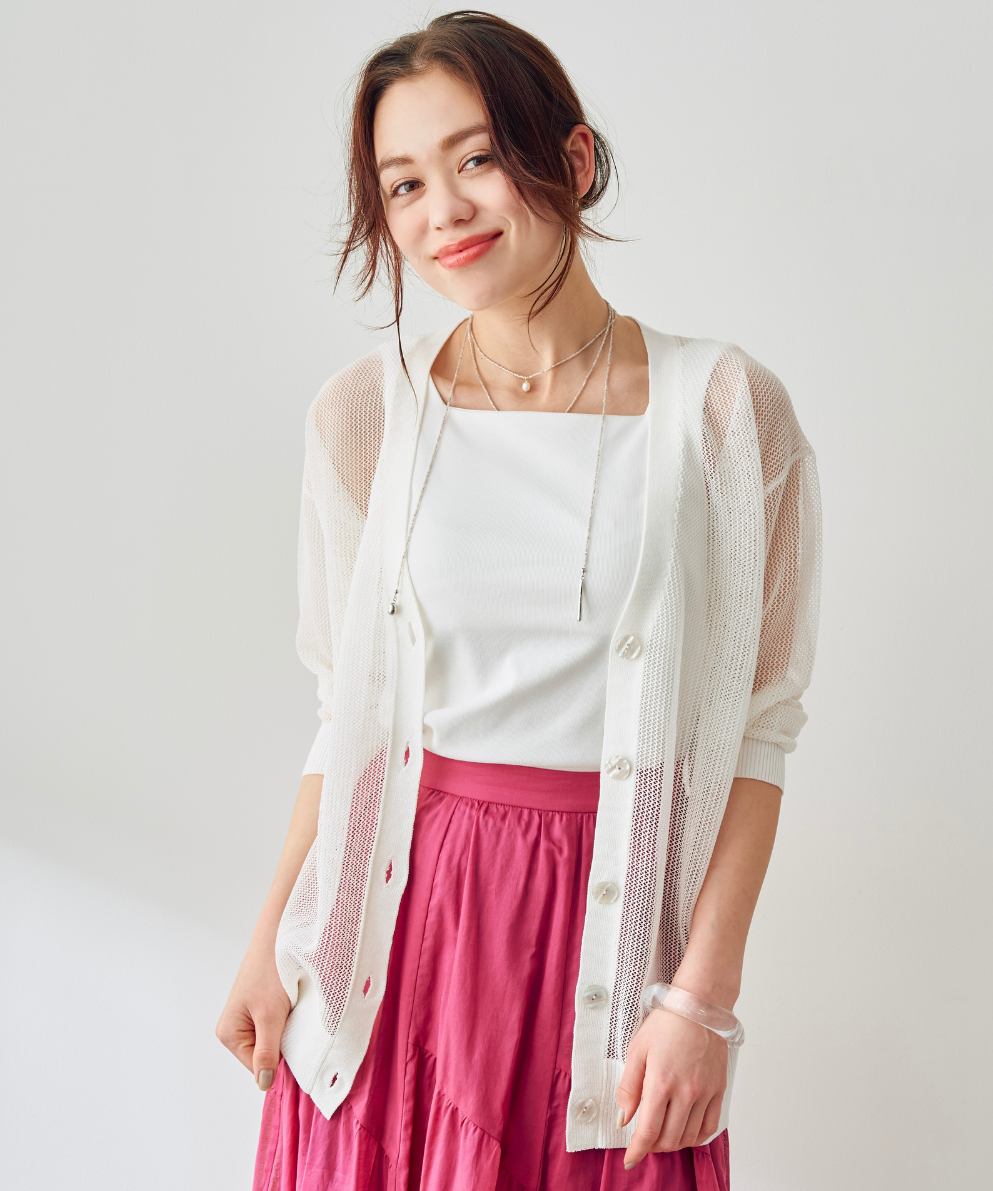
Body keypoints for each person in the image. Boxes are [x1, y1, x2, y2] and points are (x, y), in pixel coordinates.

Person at [215, 11, 823, 1190]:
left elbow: (761, 727)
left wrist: (702, 1000)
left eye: (478, 158)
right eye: (404, 184)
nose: (443, 210)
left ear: (574, 159)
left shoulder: (724, 413)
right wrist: (267, 941)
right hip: (387, 939)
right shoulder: (365, 416)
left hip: (599, 949)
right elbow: (345, 715)